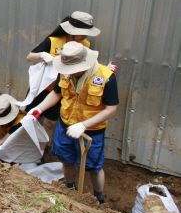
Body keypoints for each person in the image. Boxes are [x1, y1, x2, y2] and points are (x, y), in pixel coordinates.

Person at [28, 42, 118, 204]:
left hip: (91, 132)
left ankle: (99, 198)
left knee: (94, 167)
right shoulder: (64, 72)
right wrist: (39, 109)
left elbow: (110, 109)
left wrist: (84, 125)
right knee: (66, 160)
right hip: (66, 126)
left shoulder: (105, 77)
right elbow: (56, 94)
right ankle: (70, 188)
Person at [23, 11, 101, 150]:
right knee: (28, 117)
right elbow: (30, 57)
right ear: (72, 30)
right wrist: (42, 55)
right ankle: (20, 147)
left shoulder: (85, 45)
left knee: (50, 123)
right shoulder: (53, 41)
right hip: (42, 89)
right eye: (83, 31)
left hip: (61, 90)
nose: (85, 35)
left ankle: (39, 154)